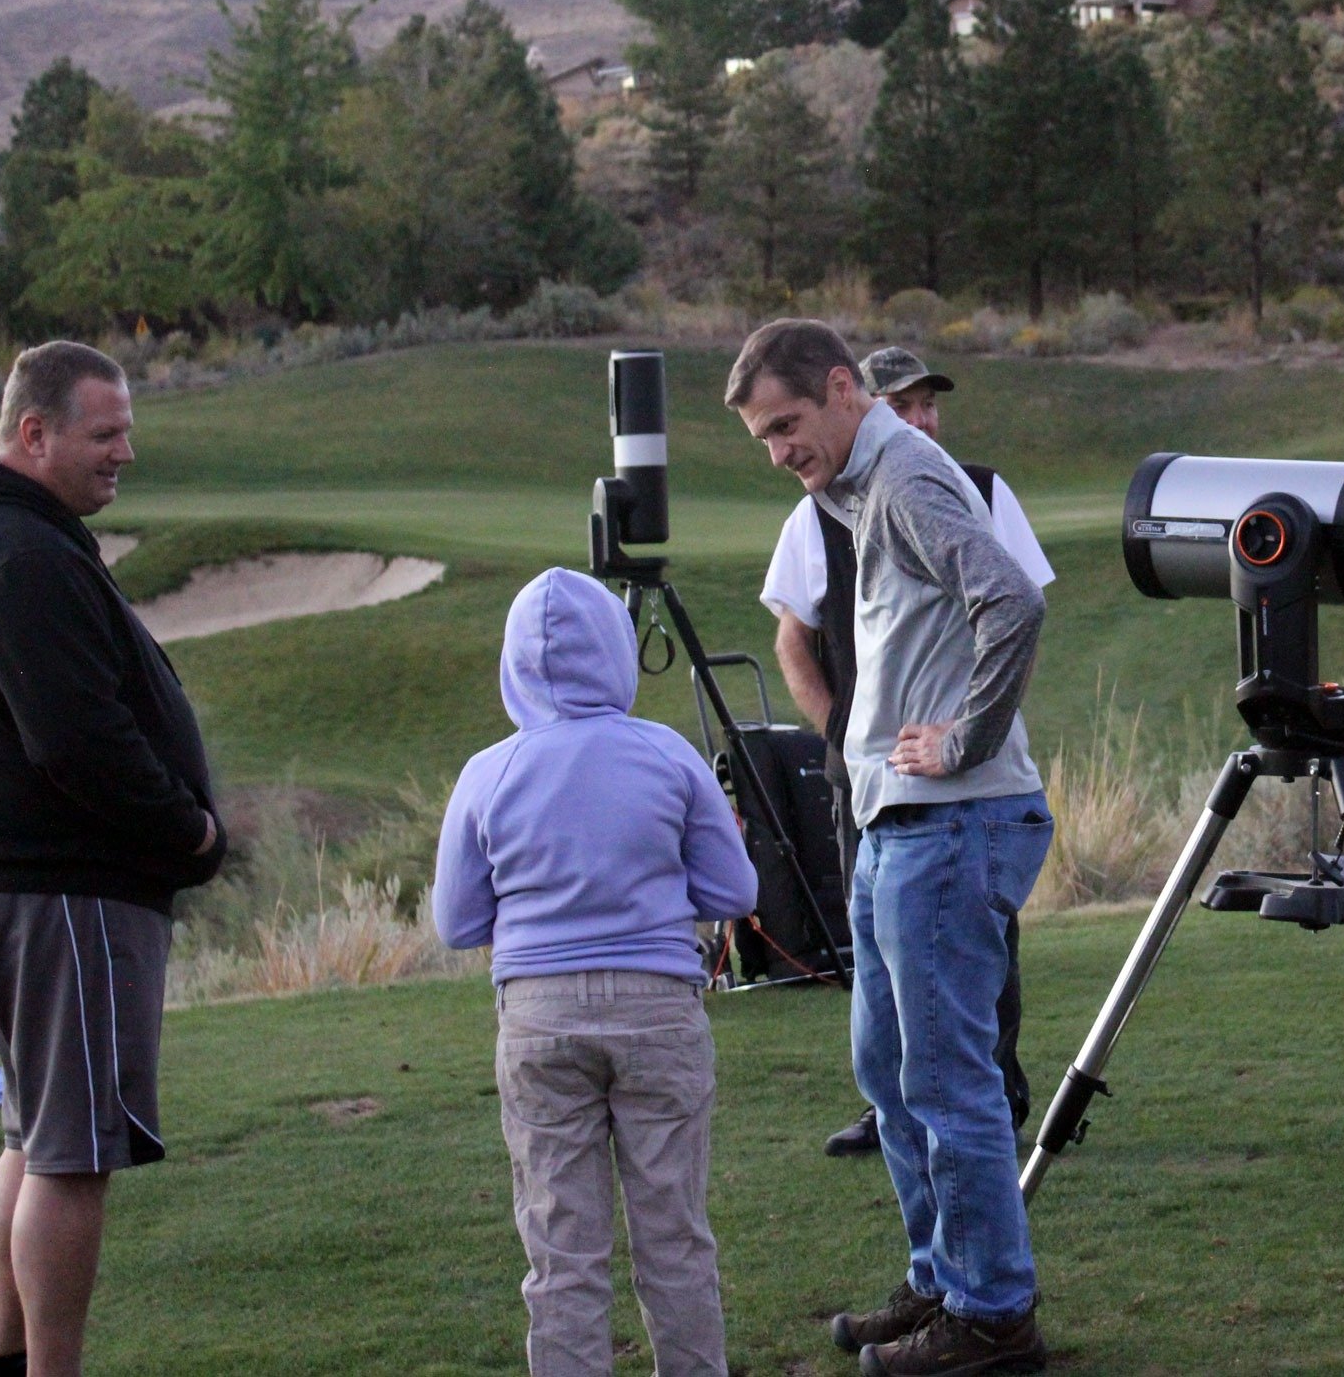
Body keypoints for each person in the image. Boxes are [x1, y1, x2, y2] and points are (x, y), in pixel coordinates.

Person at [728, 321, 1052, 1377]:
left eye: (786, 423)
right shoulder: (849, 490)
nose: (777, 448)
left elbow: (1010, 598)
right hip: (893, 820)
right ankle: (941, 1280)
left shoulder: (906, 474)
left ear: (837, 388)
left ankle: (993, 1315)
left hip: (952, 818)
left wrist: (966, 735)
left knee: (946, 1073)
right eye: (761, 437)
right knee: (885, 1063)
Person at [0, 340, 226, 1377]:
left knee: (33, 1135)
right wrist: (188, 829)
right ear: (35, 432)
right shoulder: (18, 553)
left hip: (34, 890)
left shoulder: (4, 537)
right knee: (72, 1150)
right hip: (69, 890)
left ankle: (13, 1360)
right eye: (106, 432)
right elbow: (77, 740)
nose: (125, 452)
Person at [434, 566, 760, 1377]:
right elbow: (736, 888)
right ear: (617, 653)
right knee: (674, 1237)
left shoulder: (487, 772)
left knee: (561, 1249)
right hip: (658, 1008)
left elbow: (457, 921)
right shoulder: (666, 752)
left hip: (539, 1019)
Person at [760, 346, 1053, 1158]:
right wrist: (844, 738)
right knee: (894, 1025)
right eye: (908, 402)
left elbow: (1016, 608)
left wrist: (972, 734)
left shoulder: (948, 484)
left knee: (962, 1013)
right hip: (880, 783)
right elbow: (794, 637)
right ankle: (935, 1204)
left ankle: (998, 1100)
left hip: (952, 792)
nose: (922, 418)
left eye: (930, 403)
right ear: (863, 401)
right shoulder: (824, 502)